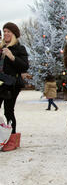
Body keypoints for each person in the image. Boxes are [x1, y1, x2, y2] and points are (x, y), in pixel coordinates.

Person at [0, 22, 29, 151]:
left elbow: (24, 66)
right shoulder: (1, 48)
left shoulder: (19, 48)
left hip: (12, 85)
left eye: (9, 32)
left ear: (14, 35)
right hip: (1, 83)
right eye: (4, 31)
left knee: (8, 110)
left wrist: (12, 57)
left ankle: (12, 139)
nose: (6, 33)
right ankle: (3, 137)